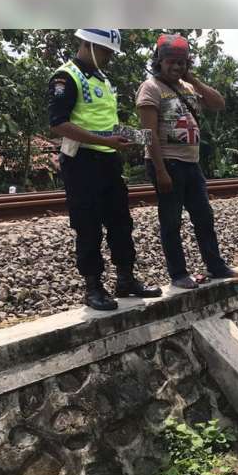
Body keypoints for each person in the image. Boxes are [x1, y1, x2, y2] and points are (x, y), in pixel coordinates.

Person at [48, 28, 162, 310]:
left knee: (120, 221)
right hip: (82, 162)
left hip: (109, 161)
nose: (109, 57)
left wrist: (145, 137)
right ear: (88, 44)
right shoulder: (66, 77)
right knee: (88, 226)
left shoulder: (102, 78)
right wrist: (104, 141)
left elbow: (106, 123)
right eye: (105, 51)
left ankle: (125, 279)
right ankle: (93, 287)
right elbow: (58, 123)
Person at [136, 33, 238, 289]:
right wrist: (160, 171)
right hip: (167, 163)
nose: (176, 67)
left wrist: (191, 78)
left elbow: (219, 103)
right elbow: (148, 134)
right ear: (159, 62)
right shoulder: (150, 88)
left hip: (190, 164)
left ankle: (216, 265)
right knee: (171, 220)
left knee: (204, 216)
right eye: (171, 61)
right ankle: (178, 273)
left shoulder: (188, 87)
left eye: (182, 62)